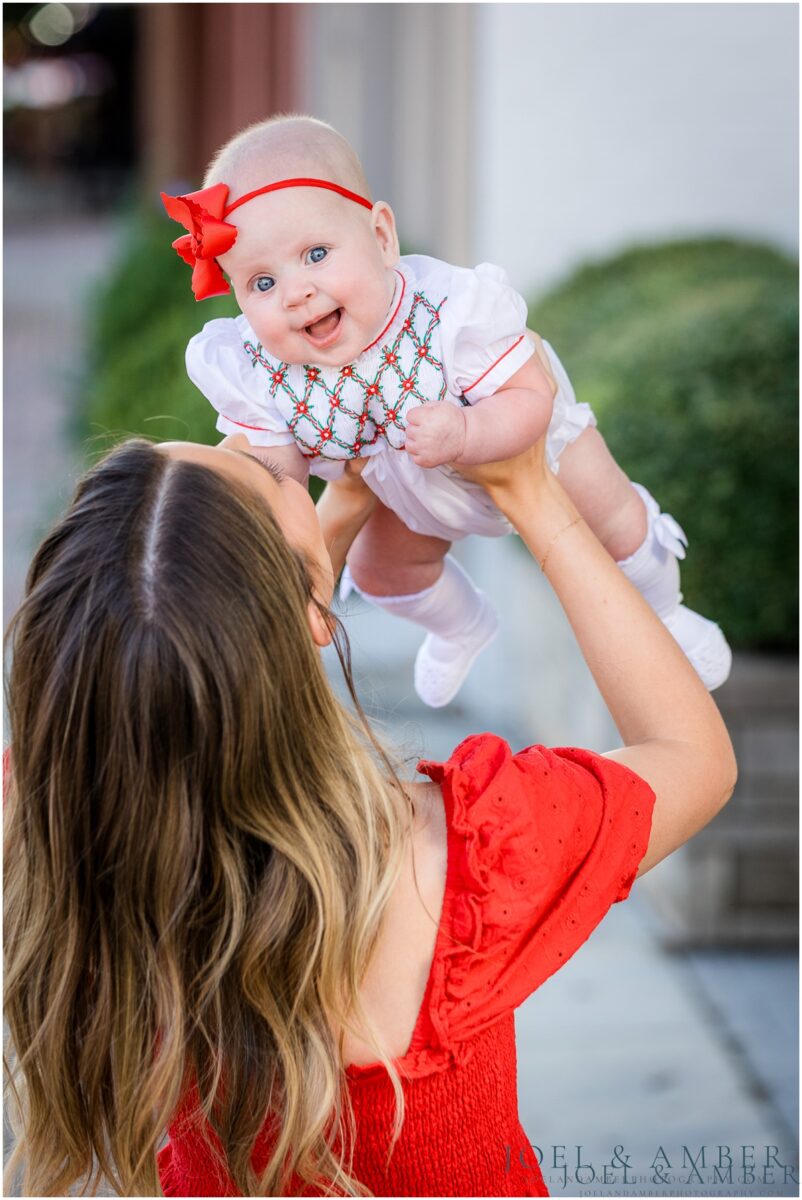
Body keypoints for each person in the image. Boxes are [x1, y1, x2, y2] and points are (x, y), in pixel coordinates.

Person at [3, 428, 736, 1197]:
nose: (272, 449)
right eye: (264, 470)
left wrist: (340, 513)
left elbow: (191, 670)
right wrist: (534, 493)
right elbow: (691, 757)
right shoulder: (461, 858)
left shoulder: (55, 824)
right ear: (309, 616)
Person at [161, 113, 732, 709]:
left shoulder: (448, 315)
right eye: (261, 283)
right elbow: (277, 471)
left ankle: (669, 608)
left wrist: (467, 429)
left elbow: (532, 399)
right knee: (380, 571)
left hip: (526, 449)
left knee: (614, 519)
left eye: (317, 253)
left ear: (382, 237)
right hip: (402, 479)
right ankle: (460, 626)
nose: (295, 292)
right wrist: (256, 499)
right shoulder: (268, 369)